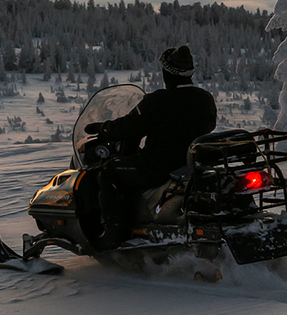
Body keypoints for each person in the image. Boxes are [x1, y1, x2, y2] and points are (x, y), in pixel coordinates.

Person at [86, 45, 217, 242]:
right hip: (188, 164)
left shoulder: (158, 101)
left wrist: (104, 128)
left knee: (108, 173)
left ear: (167, 73)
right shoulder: (205, 99)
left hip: (157, 165)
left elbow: (129, 127)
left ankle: (114, 234)